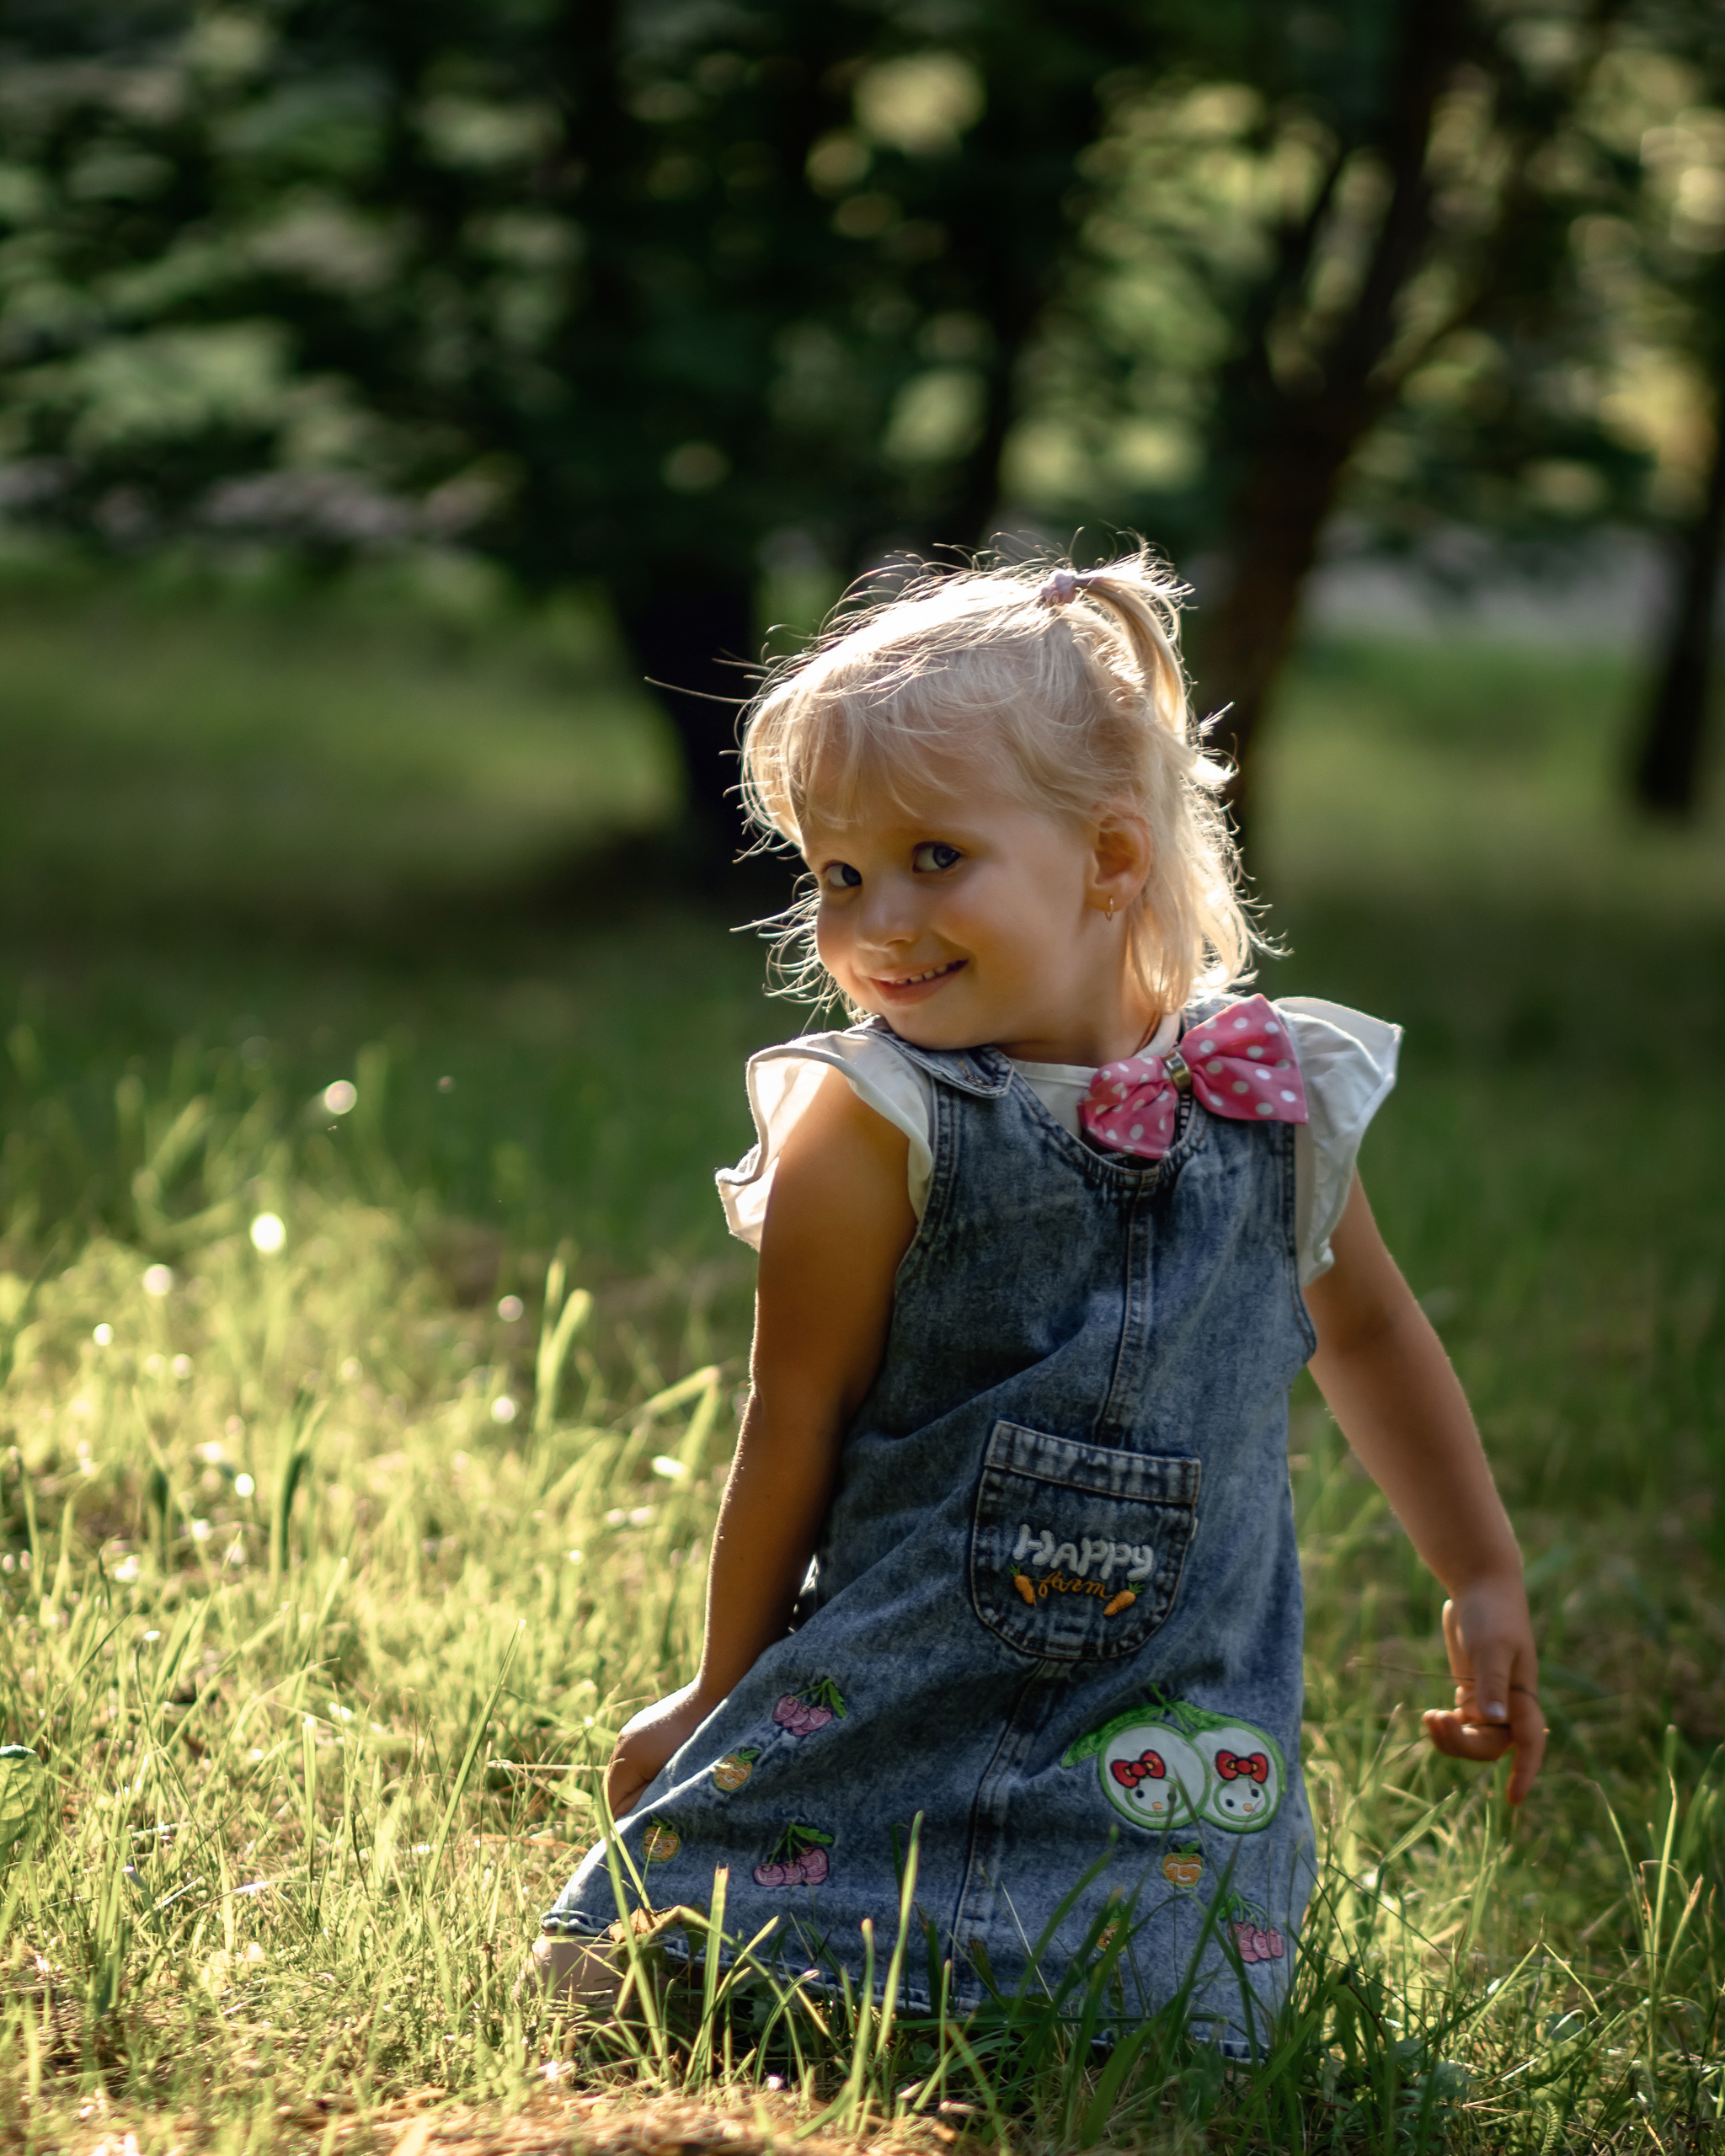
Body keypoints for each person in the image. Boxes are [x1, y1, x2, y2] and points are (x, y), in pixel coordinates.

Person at [533, 553, 1543, 2046]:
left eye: (935, 856)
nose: (880, 922)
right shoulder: (871, 1123)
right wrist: (717, 1691)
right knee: (675, 1946)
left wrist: (1482, 1572)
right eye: (839, 875)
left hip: (1168, 1698)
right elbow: (794, 1415)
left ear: (1110, 858)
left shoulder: (1270, 1099)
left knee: (1176, 2013)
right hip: (903, 1675)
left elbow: (1372, 1330)